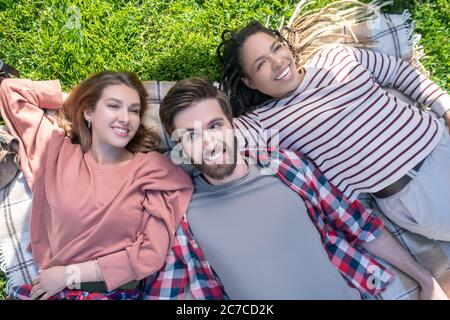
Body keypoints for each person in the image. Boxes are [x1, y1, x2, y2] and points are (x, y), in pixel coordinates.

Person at [145, 77, 447, 300]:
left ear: (232, 126)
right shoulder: (180, 212)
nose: (210, 143)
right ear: (180, 146)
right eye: (192, 135)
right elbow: (168, 288)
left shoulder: (285, 166)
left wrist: (426, 279)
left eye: (215, 126)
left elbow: (358, 224)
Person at [217, 18, 450, 242]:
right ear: (249, 82)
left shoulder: (336, 55)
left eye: (277, 48)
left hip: (441, 142)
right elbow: (203, 139)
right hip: (413, 194)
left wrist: (445, 108)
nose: (277, 62)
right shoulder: (263, 121)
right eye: (261, 64)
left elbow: (399, 73)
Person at [0, 71, 194, 300]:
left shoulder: (154, 169)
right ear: (89, 112)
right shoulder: (55, 152)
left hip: (110, 292)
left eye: (134, 110)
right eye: (113, 106)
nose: (125, 118)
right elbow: (11, 91)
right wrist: (76, 101)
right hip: (51, 291)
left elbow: (151, 254)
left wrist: (69, 274)